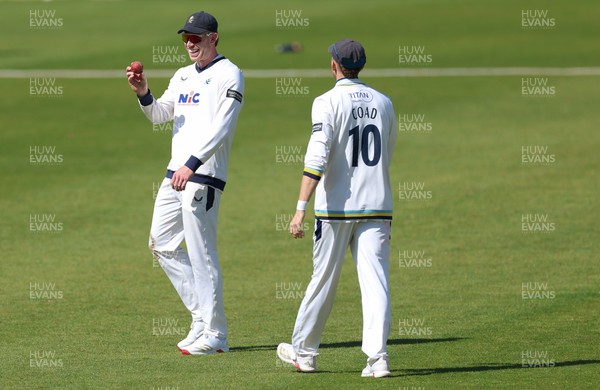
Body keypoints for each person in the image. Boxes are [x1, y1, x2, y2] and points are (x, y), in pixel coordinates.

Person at [126, 11, 244, 355]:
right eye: (186, 38)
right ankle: (200, 318)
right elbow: (161, 114)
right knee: (160, 244)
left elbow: (222, 127)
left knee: (202, 253)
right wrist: (143, 92)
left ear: (214, 38)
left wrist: (193, 164)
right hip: (174, 173)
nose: (190, 43)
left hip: (203, 175)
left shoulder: (230, 74)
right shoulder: (181, 75)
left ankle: (216, 333)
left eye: (196, 37)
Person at [277, 39, 397, 377]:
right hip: (377, 206)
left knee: (323, 280)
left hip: (335, 211)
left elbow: (317, 155)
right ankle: (379, 358)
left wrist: (301, 207)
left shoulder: (326, 102)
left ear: (334, 65)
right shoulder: (384, 102)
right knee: (376, 283)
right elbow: (388, 151)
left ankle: (305, 353)